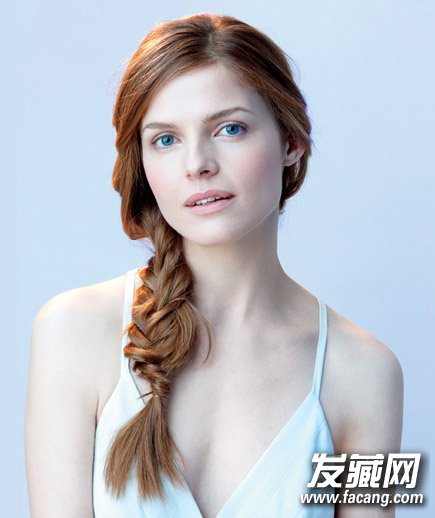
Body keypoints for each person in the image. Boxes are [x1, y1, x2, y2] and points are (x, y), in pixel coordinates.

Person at [24, 12, 403, 518]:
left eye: (230, 128)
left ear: (291, 142)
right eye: (165, 139)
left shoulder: (368, 374)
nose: (196, 164)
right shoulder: (72, 332)